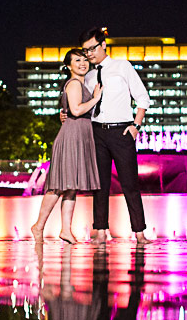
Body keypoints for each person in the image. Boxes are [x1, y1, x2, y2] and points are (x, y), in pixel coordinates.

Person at [79, 26, 151, 244]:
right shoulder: (89, 76)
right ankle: (100, 231)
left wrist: (136, 126)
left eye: (92, 48)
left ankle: (139, 233)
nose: (89, 54)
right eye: (85, 51)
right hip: (97, 132)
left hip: (122, 132)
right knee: (99, 185)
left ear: (103, 45)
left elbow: (142, 97)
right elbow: (83, 105)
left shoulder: (122, 66)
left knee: (130, 184)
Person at [31, 49, 102, 243]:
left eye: (84, 60)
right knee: (59, 186)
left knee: (71, 187)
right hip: (72, 136)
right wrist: (95, 99)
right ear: (69, 66)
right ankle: (38, 226)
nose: (82, 63)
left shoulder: (78, 83)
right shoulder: (74, 84)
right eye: (77, 60)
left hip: (78, 135)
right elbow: (77, 109)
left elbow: (70, 110)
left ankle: (66, 230)